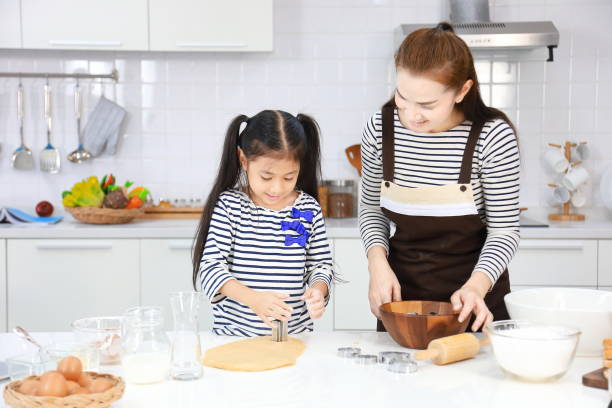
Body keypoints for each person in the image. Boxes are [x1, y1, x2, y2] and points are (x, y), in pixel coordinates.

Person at [359, 23, 520, 332]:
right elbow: (370, 210)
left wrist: (476, 287)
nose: (410, 115)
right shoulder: (380, 129)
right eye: (402, 97)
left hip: (474, 302)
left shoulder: (491, 137)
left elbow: (504, 232)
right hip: (403, 305)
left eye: (427, 104)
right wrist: (377, 264)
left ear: (462, 90)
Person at [192, 110, 335, 336]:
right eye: (266, 177)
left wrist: (318, 290)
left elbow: (320, 265)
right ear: (244, 160)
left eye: (289, 177)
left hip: (292, 338)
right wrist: (253, 299)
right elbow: (210, 267)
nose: (277, 188)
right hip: (235, 339)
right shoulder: (231, 207)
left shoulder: (306, 210)